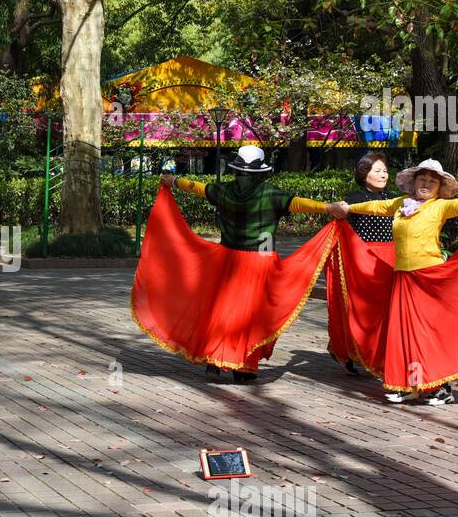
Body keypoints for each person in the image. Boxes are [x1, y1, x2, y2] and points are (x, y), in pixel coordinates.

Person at [326, 158, 458, 406]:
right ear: (413, 181)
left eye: (432, 181)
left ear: (439, 188)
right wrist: (349, 208)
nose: (426, 184)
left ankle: (441, 388)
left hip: (429, 278)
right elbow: (376, 207)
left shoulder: (439, 206)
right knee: (404, 333)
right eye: (422, 179)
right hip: (403, 278)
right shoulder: (400, 204)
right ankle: (411, 384)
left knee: (427, 334)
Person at [135, 144, 341, 383]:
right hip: (260, 258)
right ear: (262, 171)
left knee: (221, 309)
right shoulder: (270, 193)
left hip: (228, 257)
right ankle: (243, 366)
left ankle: (213, 358)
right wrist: (328, 208)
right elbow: (298, 203)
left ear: (237, 169)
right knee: (251, 315)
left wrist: (174, 180)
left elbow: (198, 188)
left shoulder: (224, 190)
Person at [329, 151, 397, 375]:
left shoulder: (393, 199)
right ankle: (348, 349)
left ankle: (377, 352)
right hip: (363, 260)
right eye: (377, 170)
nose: (383, 174)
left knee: (384, 310)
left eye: (385, 170)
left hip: (390, 259)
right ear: (364, 174)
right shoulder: (354, 200)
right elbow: (341, 230)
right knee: (362, 309)